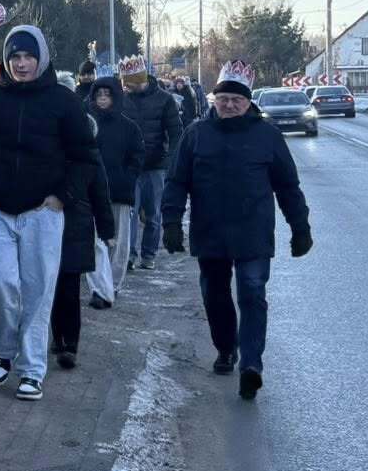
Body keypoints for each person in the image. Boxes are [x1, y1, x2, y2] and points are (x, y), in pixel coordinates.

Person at [161, 60, 313, 402]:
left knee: (252, 292)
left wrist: (300, 227)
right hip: (210, 230)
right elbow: (177, 181)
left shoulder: (267, 136)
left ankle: (251, 365)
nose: (229, 105)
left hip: (253, 231)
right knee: (215, 295)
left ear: (248, 103)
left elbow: (288, 186)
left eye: (237, 100)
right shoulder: (196, 134)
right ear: (214, 99)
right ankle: (226, 348)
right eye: (224, 99)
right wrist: (171, 222)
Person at [0, 25, 96, 401]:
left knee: (38, 291)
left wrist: (62, 196)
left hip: (43, 212)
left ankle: (32, 369)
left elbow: (85, 157)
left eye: (28, 56)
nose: (22, 64)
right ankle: (4, 348)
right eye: (15, 57)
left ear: (41, 58)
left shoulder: (64, 101)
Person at [49, 108, 118, 370]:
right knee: (51, 286)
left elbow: (101, 194)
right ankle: (58, 337)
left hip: (77, 226)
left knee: (69, 287)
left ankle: (70, 344)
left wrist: (107, 230)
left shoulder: (90, 157)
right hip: (49, 224)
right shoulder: (50, 153)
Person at [119, 55, 184, 270]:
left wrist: (171, 160)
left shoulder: (165, 100)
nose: (126, 87)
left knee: (153, 214)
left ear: (140, 79)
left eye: (130, 83)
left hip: (155, 165)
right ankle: (129, 255)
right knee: (129, 213)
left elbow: (175, 132)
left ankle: (148, 254)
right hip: (129, 166)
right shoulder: (122, 99)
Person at [85, 76, 143, 311]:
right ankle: (99, 288)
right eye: (99, 95)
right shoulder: (87, 124)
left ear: (115, 97)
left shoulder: (129, 127)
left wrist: (126, 179)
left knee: (118, 243)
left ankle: (114, 284)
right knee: (94, 242)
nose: (102, 99)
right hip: (91, 193)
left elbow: (137, 157)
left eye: (107, 95)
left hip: (119, 193)